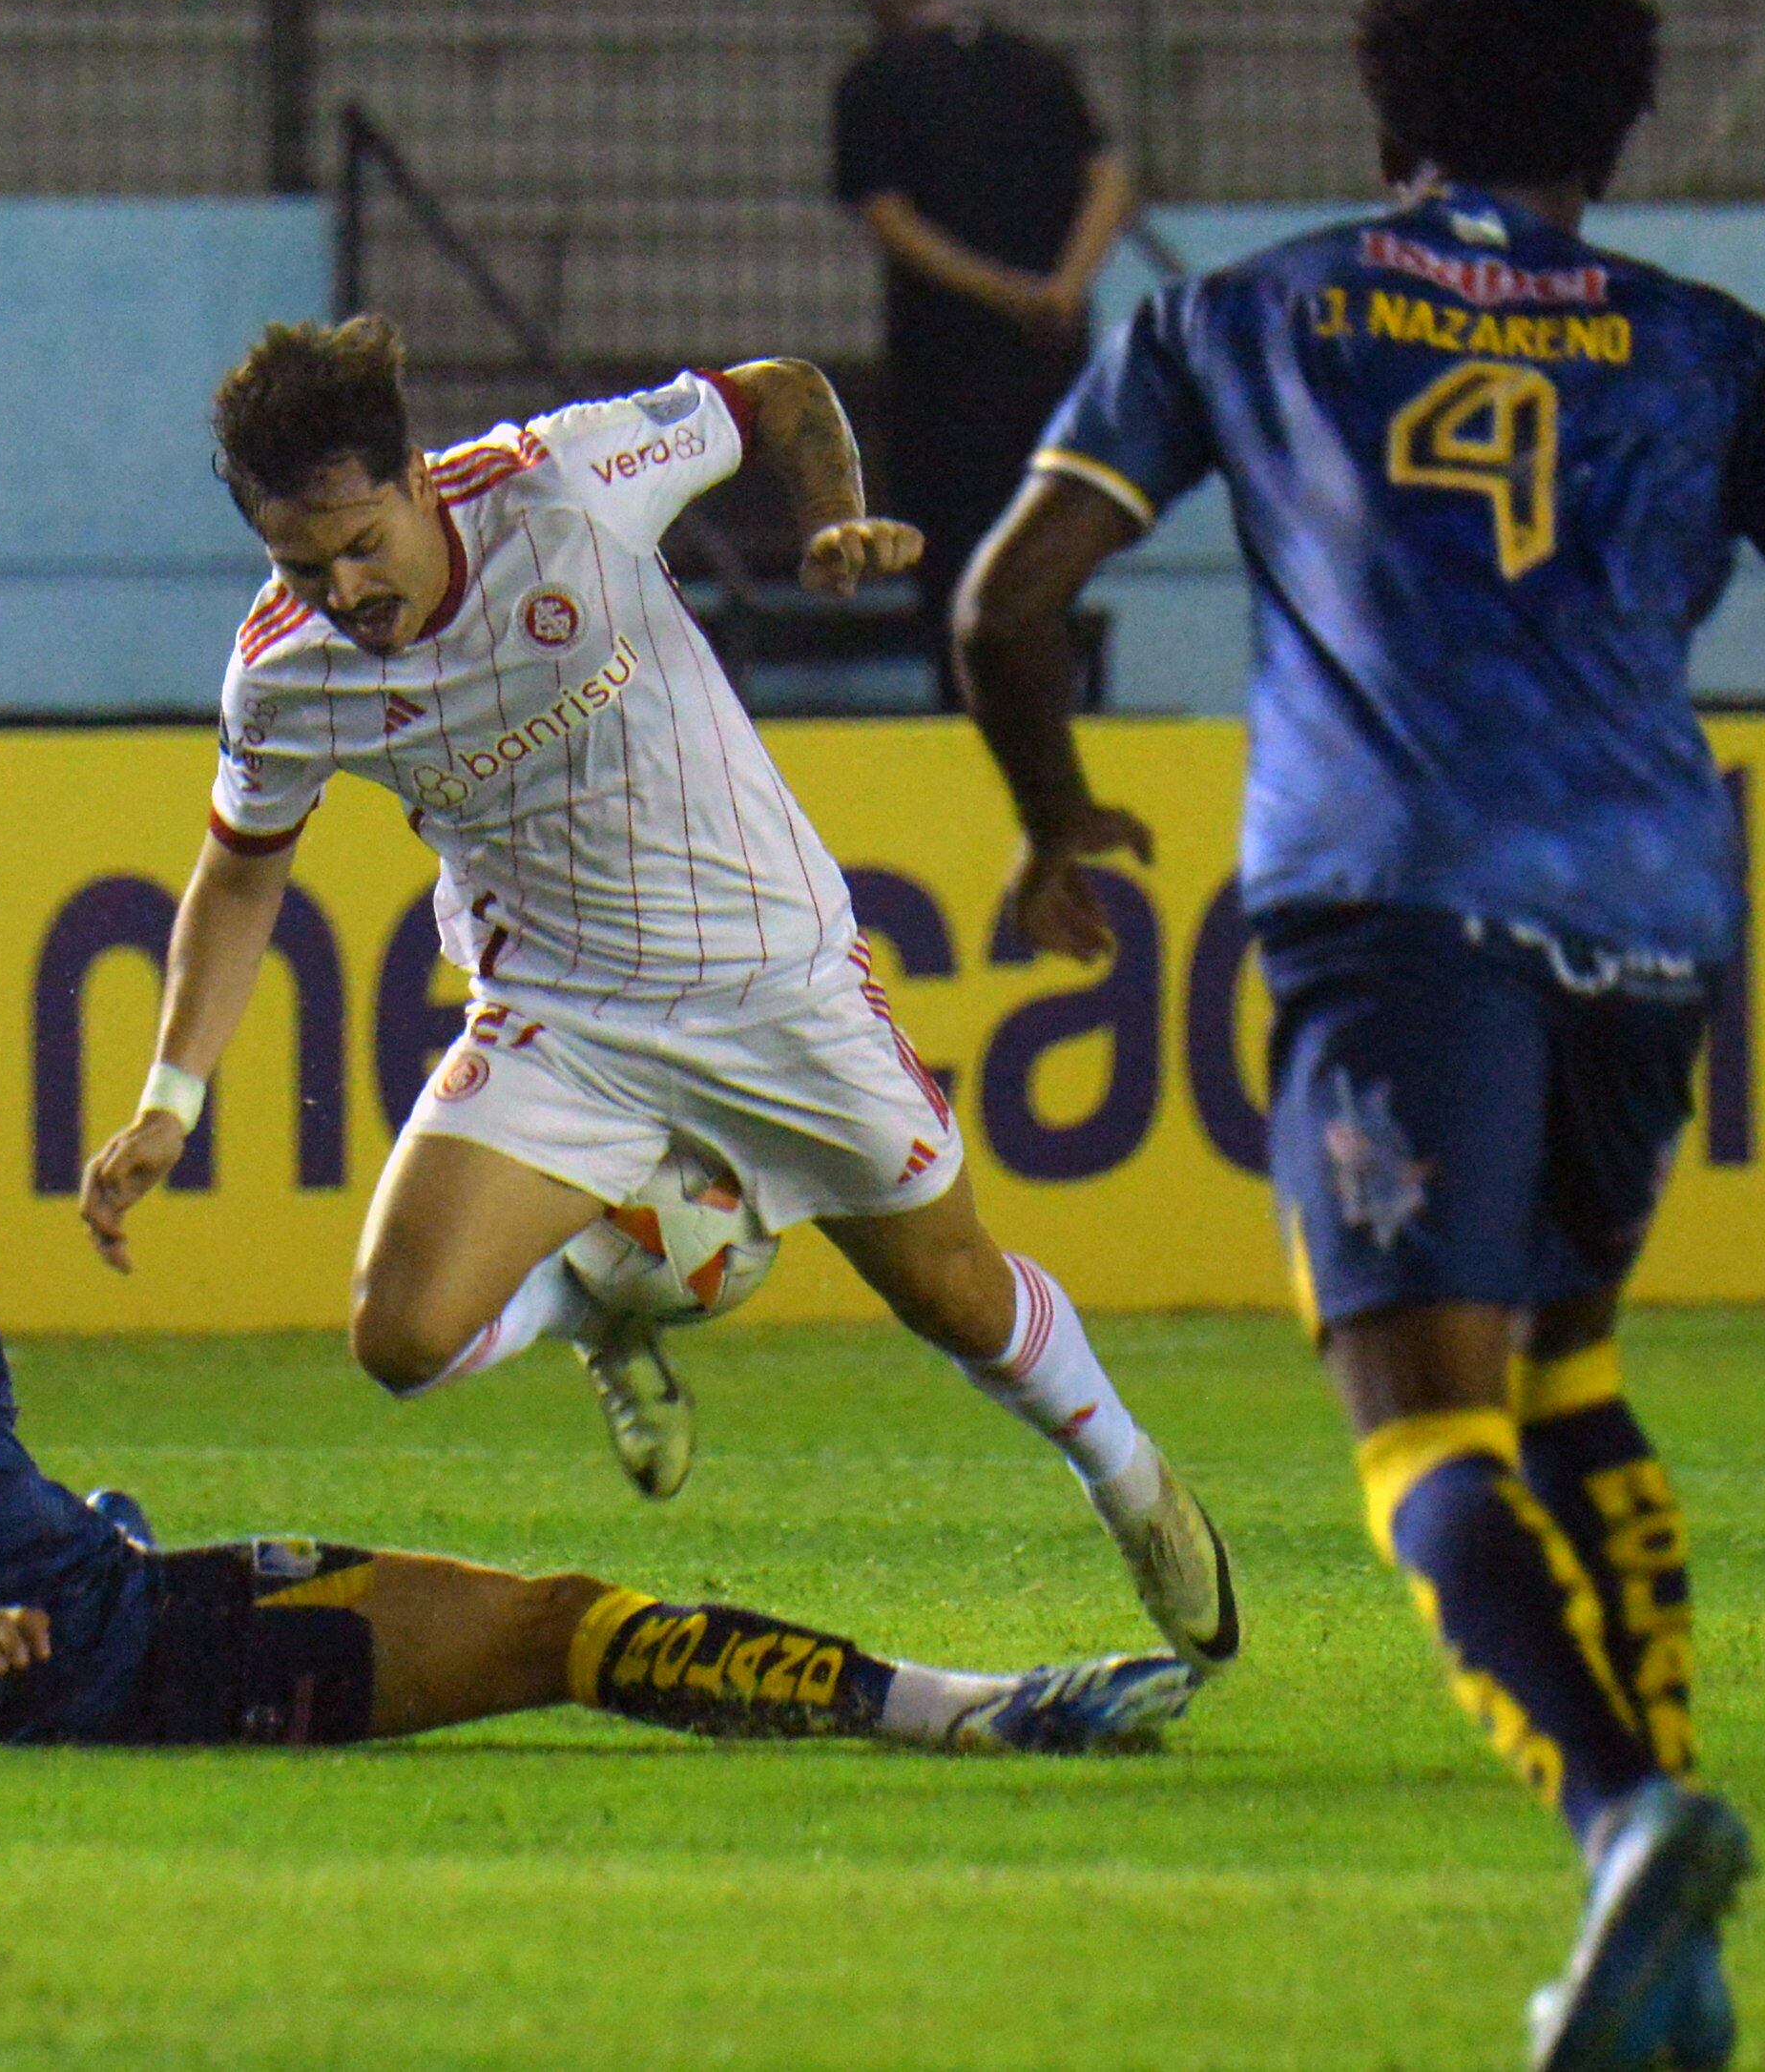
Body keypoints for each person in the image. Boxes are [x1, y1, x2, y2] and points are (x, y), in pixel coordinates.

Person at [947, 0, 1765, 2064]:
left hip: (1394, 912)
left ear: (1380, 114)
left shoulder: (1248, 313)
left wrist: (1056, 817)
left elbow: (999, 603)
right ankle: (1671, 1954)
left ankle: (1623, 1815)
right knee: (1568, 1359)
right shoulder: (1716, 354)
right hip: (1653, 923)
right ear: (1609, 138)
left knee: (1423, 1414)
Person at [73, 316, 1239, 1682]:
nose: (340, 587)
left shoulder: (559, 482)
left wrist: (834, 519)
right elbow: (235, 878)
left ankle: (1126, 1474)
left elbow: (783, 396)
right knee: (399, 1338)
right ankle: (591, 1306)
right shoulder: (283, 670)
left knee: (956, 1297)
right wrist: (170, 1096)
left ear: (412, 476)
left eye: (357, 543)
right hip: (562, 1017)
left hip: (772, 978)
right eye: (298, 562)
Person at [0, 940, 1201, 1758]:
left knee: (154, 1519)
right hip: (99, 1669)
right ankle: (972, 1713)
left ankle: (137, 1536)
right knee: (554, 1625)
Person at [834, 0, 1132, 708]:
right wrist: (1064, 286)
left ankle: (971, 722)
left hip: (946, 368)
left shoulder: (874, 80)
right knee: (1049, 548)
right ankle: (1055, 721)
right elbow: (1110, 181)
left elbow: (888, 217)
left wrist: (1002, 293)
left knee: (958, 562)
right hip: (1052, 364)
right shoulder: (1038, 66)